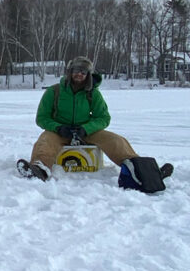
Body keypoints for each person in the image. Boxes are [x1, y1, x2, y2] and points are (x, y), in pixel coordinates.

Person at [16, 56, 172, 183]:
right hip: (60, 132)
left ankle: (144, 170)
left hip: (86, 131)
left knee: (116, 140)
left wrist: (86, 129)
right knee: (45, 140)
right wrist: (58, 127)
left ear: (88, 75)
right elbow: (42, 118)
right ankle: (39, 169)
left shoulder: (93, 93)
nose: (80, 74)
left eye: (83, 72)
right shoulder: (54, 91)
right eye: (77, 70)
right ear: (70, 72)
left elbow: (103, 117)